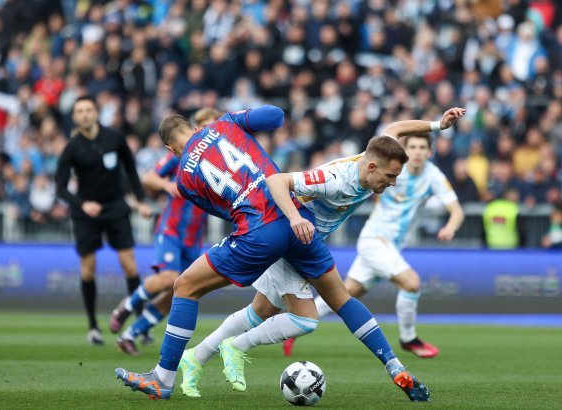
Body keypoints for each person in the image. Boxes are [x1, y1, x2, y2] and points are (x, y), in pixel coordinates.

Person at [114, 105, 430, 402]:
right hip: (298, 224)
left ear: (171, 151)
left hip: (260, 230)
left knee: (185, 286)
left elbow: (221, 210)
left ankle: (164, 377)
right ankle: (393, 366)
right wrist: (239, 121)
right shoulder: (226, 123)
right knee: (337, 300)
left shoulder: (183, 178)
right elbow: (276, 115)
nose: (391, 182)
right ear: (196, 126)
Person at [303, 129, 465, 358]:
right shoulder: (392, 171)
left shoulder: (434, 176)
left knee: (343, 295)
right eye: (413, 147)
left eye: (422, 148)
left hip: (393, 246)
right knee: (411, 283)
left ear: (430, 152)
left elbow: (457, 211)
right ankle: (409, 338)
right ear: (405, 151)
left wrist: (450, 227)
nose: (417, 152)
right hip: (375, 240)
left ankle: (296, 323)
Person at [110, 108, 221, 355]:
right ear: (195, 128)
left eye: (212, 125)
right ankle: (126, 306)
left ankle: (130, 334)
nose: (207, 130)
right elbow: (148, 178)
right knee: (170, 278)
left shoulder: (220, 159)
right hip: (171, 228)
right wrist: (166, 184)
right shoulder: (181, 155)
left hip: (194, 238)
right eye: (203, 125)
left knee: (181, 290)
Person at [55, 96, 151, 346]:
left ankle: (141, 325)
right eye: (79, 111)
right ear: (75, 117)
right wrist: (82, 204)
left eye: (88, 110)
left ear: (96, 113)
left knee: (130, 266)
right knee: (88, 269)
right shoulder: (72, 147)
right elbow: (60, 189)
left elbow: (131, 170)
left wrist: (140, 200)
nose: (85, 114)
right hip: (87, 214)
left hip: (116, 208)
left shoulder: (115, 138)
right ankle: (93, 327)